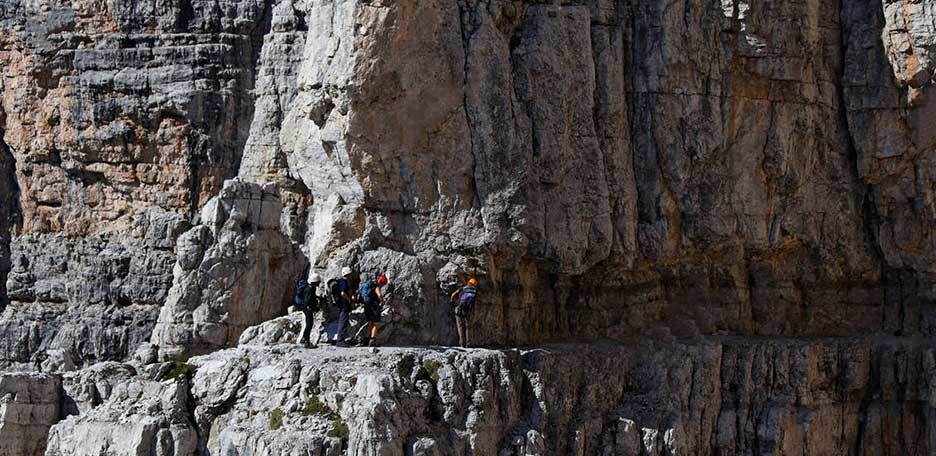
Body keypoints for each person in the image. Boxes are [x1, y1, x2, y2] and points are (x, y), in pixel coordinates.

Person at [359, 274, 389, 347]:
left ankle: (366, 339)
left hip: (367, 306)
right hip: (374, 307)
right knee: (375, 324)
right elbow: (379, 295)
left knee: (370, 322)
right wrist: (383, 301)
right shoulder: (376, 287)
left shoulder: (371, 284)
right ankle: (372, 340)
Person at [449, 278, 478, 348]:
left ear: (468, 282)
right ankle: (468, 344)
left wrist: (452, 303)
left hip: (458, 308)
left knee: (460, 327)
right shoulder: (474, 291)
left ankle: (462, 344)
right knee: (468, 327)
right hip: (467, 310)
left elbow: (453, 295)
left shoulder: (463, 288)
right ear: (474, 285)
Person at [329, 266, 355, 344]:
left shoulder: (340, 281)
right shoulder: (344, 282)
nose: (351, 275)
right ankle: (340, 341)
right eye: (350, 274)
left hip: (341, 304)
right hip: (344, 305)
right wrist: (349, 299)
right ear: (348, 274)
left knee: (343, 321)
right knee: (343, 322)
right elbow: (343, 293)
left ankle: (340, 339)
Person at [298, 272, 323, 348]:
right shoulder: (310, 289)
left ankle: (304, 339)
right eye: (318, 282)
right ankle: (306, 341)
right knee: (309, 324)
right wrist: (313, 307)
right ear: (315, 282)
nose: (319, 283)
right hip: (308, 308)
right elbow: (308, 300)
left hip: (306, 308)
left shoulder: (310, 287)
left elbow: (310, 298)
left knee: (308, 323)